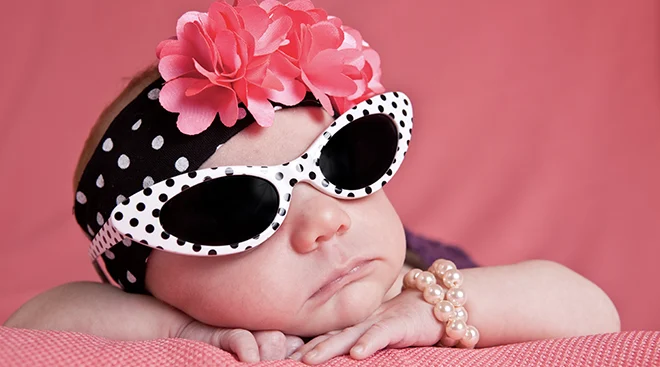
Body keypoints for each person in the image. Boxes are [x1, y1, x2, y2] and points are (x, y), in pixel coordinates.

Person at [4, 0, 620, 364]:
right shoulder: (176, 316)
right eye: (234, 208)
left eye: (342, 162)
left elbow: (595, 312)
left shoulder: (420, 279)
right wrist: (185, 333)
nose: (327, 220)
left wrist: (437, 310)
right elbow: (31, 326)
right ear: (149, 277)